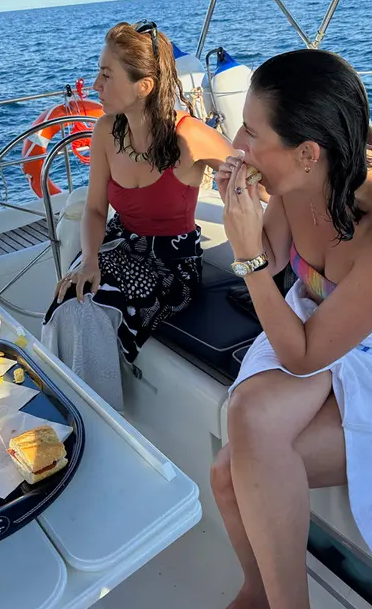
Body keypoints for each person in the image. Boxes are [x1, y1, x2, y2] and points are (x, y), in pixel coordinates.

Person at [194, 49, 372, 609]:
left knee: (232, 468)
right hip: (324, 331)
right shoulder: (298, 179)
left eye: (250, 129)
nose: (236, 142)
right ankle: (262, 598)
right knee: (233, 459)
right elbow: (269, 269)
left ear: (308, 151)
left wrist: (245, 252)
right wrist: (246, 218)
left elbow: (298, 349)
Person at [42, 21, 232, 411]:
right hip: (117, 244)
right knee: (68, 298)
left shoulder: (189, 134)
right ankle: (67, 405)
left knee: (89, 311)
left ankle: (96, 418)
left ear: (143, 86)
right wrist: (89, 261)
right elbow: (95, 209)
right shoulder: (106, 131)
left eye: (106, 75)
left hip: (171, 264)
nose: (95, 85)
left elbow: (254, 177)